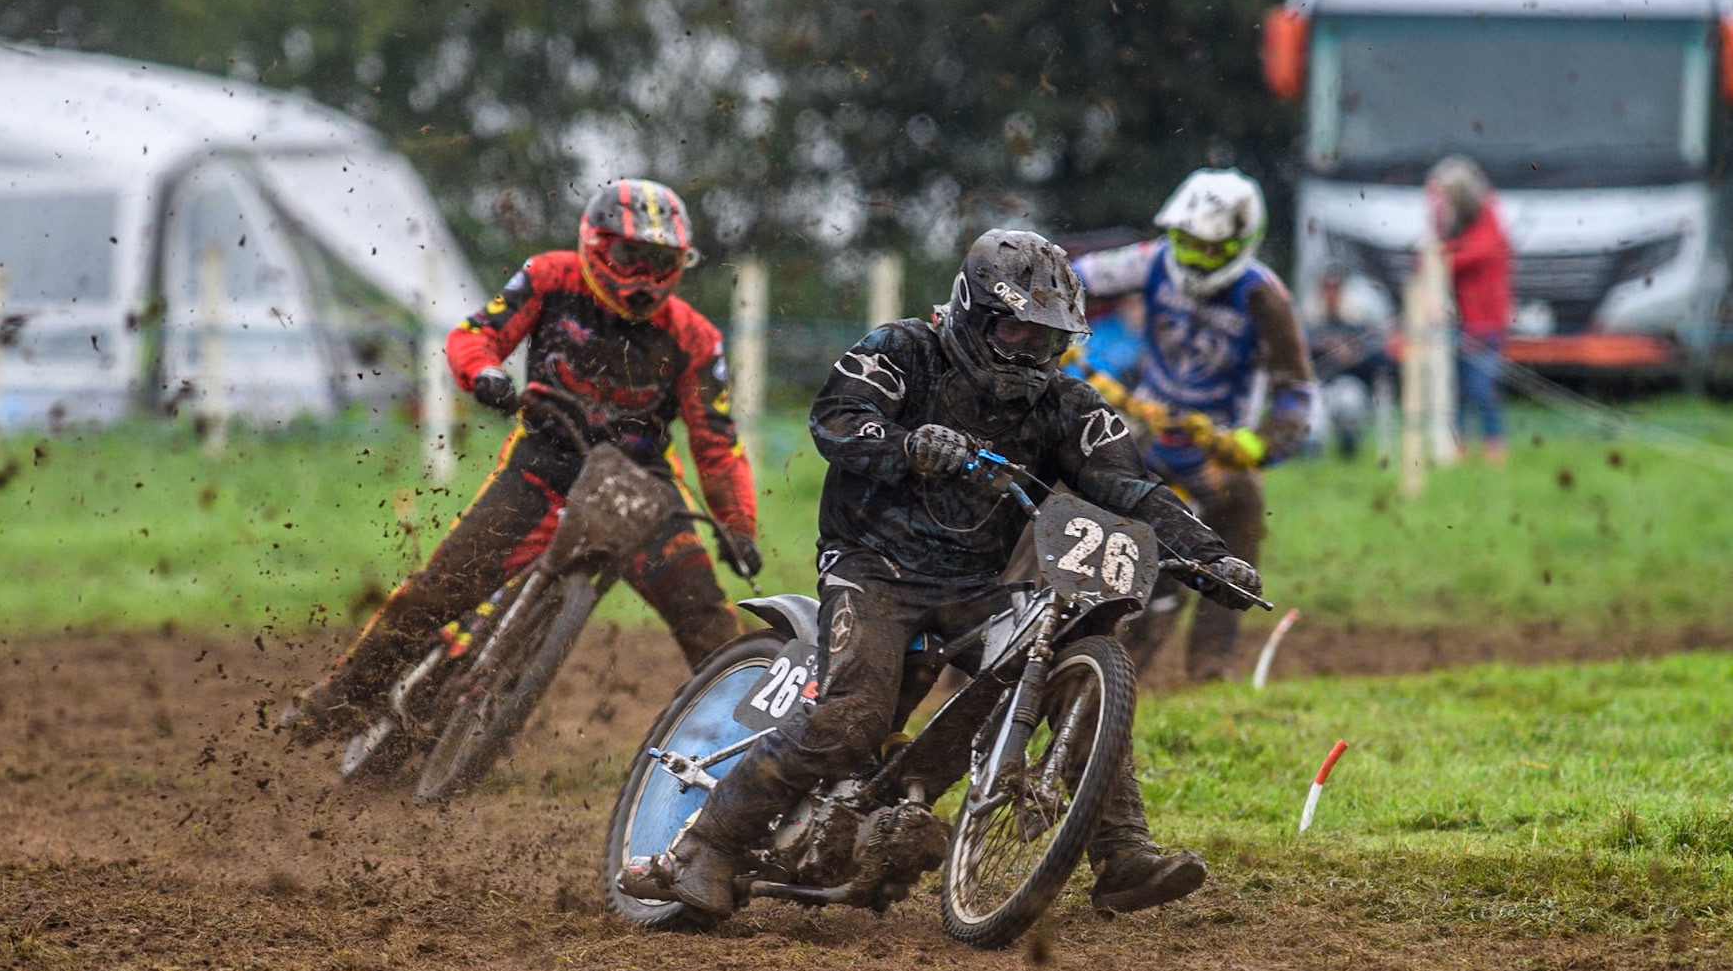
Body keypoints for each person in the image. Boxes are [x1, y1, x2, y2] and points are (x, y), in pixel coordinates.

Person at [628, 228, 1262, 919]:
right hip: (872, 566)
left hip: (977, 586)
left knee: (1059, 663)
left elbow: (1130, 489)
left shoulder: (1065, 403)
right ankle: (705, 847)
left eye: (1048, 340)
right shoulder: (901, 351)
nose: (1030, 353)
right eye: (1017, 333)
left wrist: (1208, 553)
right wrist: (907, 443)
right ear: (973, 311)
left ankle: (1122, 853)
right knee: (855, 716)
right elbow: (834, 419)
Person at [280, 178, 761, 740]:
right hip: (543, 467)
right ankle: (338, 700)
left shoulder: (695, 337)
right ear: (598, 245)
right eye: (631, 256)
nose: (643, 277)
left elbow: (717, 443)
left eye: (660, 262)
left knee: (707, 618)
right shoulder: (549, 277)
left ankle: (753, 749)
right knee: (436, 591)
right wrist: (483, 372)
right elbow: (475, 334)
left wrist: (738, 527)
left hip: (639, 490)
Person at [1069, 168, 1315, 680]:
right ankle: (1079, 653)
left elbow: (1296, 389)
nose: (1192, 258)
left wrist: (1257, 445)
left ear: (1240, 243)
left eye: (1208, 248)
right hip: (1145, 425)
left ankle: (1210, 665)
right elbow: (1073, 275)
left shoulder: (1263, 295)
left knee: (1238, 514)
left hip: (1215, 444)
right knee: (1071, 487)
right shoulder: (1153, 258)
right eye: (1185, 242)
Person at [1425, 155, 1512, 466]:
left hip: (1483, 318)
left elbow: (1476, 253)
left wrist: (1441, 253)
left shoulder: (1486, 216)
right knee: (1455, 386)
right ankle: (1458, 443)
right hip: (1457, 316)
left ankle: (1494, 444)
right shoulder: (1450, 221)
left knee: (1482, 386)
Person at [1301, 262, 1395, 459]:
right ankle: (1310, 456)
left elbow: (1381, 360)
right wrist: (1320, 346)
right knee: (1313, 403)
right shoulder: (1311, 325)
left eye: (1335, 288)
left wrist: (1354, 354)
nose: (1331, 294)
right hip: (1318, 385)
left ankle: (1348, 449)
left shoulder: (1358, 325)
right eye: (1327, 288)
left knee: (1349, 398)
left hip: (1350, 384)